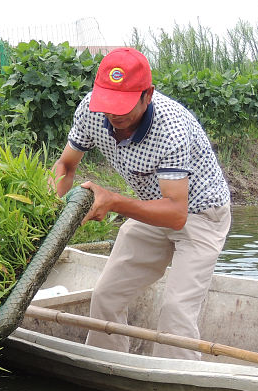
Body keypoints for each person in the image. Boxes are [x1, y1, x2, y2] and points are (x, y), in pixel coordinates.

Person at [50, 47, 231, 360]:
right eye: (108, 105)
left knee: (176, 314)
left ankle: (182, 388)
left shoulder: (171, 128)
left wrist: (114, 201)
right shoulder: (91, 110)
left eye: (124, 106)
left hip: (200, 214)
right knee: (106, 296)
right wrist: (49, 213)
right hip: (151, 209)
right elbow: (66, 167)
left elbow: (176, 214)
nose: (115, 115)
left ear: (147, 94)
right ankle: (108, 368)